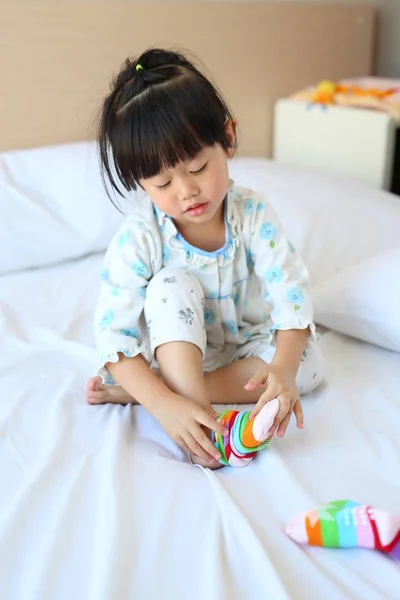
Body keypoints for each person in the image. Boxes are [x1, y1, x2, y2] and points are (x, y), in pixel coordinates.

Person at [86, 48, 323, 469]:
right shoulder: (142, 236)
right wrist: (163, 405)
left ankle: (174, 390)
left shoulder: (252, 213)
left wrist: (282, 372)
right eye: (162, 183)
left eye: (197, 168)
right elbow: (114, 337)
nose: (186, 192)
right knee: (170, 283)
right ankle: (196, 418)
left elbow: (290, 292)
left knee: (308, 366)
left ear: (228, 138)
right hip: (180, 352)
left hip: (243, 348)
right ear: (140, 182)